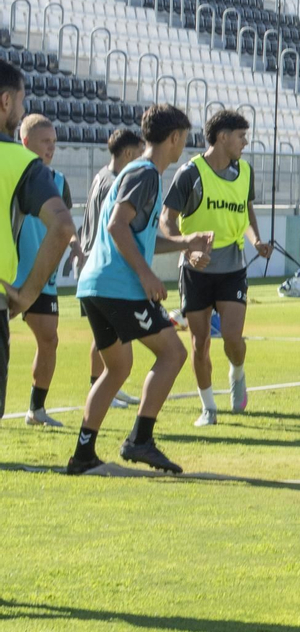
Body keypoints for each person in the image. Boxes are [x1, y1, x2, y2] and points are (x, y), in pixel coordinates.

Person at [67, 104, 213, 475]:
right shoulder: (147, 173)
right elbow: (118, 226)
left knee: (117, 369)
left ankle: (83, 454)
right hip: (119, 287)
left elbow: (136, 235)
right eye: (185, 139)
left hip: (96, 285)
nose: (185, 146)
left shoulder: (139, 172)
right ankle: (140, 441)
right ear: (175, 138)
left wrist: (184, 242)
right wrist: (147, 275)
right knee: (173, 354)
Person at [160, 108, 273, 426]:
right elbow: (166, 221)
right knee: (199, 343)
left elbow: (246, 213)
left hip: (232, 267)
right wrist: (188, 249)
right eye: (241, 136)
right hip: (195, 270)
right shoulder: (190, 173)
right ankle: (208, 407)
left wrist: (256, 241)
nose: (245, 142)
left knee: (233, 337)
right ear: (222, 137)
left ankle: (237, 373)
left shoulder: (245, 172)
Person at [0, 62, 74, 427]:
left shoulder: (50, 175)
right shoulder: (20, 162)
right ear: (5, 102)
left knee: (50, 340)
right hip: (11, 287)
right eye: (20, 101)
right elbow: (62, 226)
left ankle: (37, 408)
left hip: (28, 281)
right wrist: (26, 294)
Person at [16, 114, 84, 427]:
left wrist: (76, 247)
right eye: (45, 142)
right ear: (25, 141)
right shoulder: (10, 173)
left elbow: (66, 223)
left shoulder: (57, 181)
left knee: (49, 341)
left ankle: (36, 410)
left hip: (42, 278)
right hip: (9, 274)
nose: (51, 149)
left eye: (54, 143)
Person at [81, 128, 145, 411]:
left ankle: (107, 387)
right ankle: (103, 388)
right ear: (129, 154)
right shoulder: (117, 182)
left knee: (106, 333)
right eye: (140, 154)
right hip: (101, 263)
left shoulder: (101, 176)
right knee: (107, 333)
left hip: (91, 259)